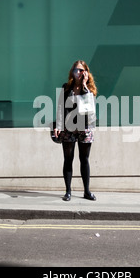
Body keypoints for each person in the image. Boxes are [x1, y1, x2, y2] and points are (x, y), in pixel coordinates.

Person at [54, 60, 97, 202]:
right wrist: (58, 126)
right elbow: (61, 108)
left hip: (84, 128)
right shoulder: (66, 88)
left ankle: (86, 191)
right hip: (68, 128)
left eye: (80, 70)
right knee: (68, 159)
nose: (77, 73)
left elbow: (89, 111)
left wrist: (84, 87)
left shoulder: (89, 89)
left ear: (85, 72)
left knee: (84, 159)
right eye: (75, 70)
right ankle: (68, 191)